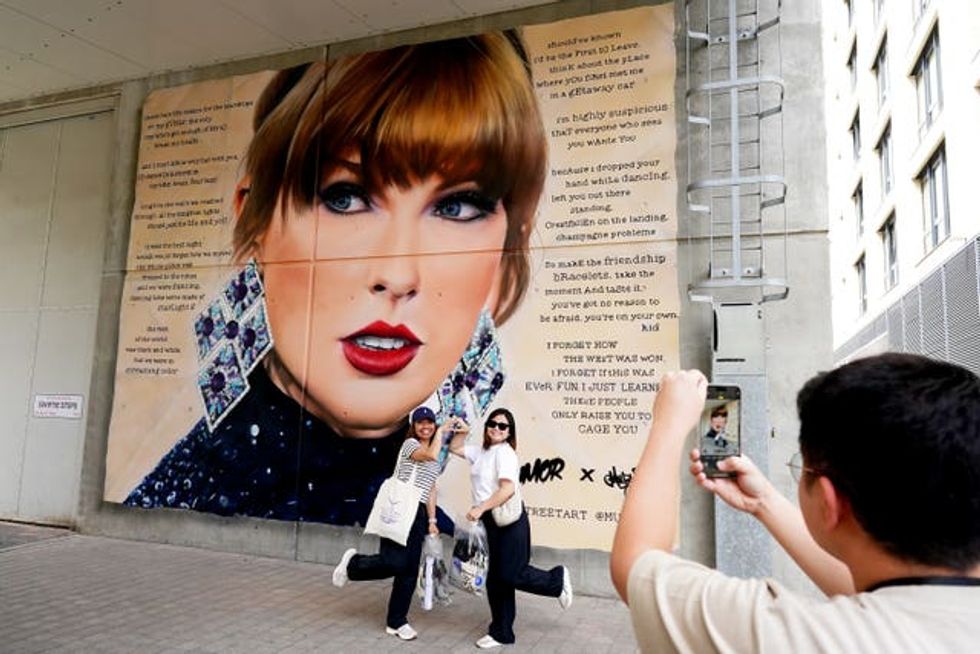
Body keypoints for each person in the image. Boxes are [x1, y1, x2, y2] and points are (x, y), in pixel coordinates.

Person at [121, 31, 547, 525]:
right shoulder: (178, 509)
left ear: (506, 251)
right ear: (254, 222)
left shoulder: (422, 510)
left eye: (456, 206)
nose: (397, 274)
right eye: (345, 197)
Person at [610, 353, 980, 653]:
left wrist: (669, 422)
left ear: (829, 501)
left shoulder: (793, 636)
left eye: (803, 468)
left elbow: (636, 563)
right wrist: (765, 503)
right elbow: (878, 590)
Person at [331, 407, 467, 641]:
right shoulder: (410, 446)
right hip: (400, 508)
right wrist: (443, 432)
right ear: (413, 427)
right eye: (420, 423)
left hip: (419, 515)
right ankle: (353, 564)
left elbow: (431, 488)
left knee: (408, 570)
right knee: (394, 561)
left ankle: (397, 621)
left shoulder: (434, 452)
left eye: (430, 423)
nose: (426, 427)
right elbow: (432, 456)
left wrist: (433, 520)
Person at [447, 408, 573, 649]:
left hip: (509, 522)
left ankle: (556, 580)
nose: (496, 428)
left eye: (502, 426)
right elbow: (455, 449)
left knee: (511, 574)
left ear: (509, 432)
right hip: (488, 521)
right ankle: (501, 632)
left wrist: (481, 508)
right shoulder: (483, 451)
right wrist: (462, 432)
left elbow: (507, 490)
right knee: (495, 579)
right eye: (492, 424)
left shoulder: (505, 454)